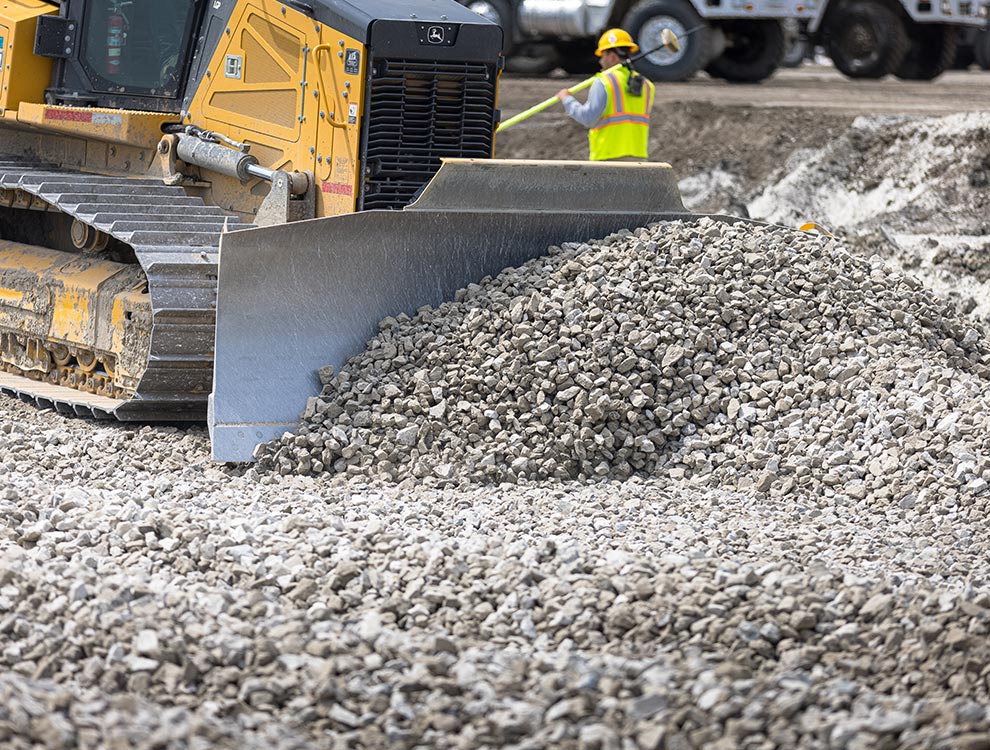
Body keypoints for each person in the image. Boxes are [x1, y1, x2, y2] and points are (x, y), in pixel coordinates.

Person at [556, 29, 656, 162]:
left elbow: (588, 118)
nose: (601, 61)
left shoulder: (604, 82)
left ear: (612, 56)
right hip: (639, 159)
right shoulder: (647, 86)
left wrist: (567, 99)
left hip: (608, 160)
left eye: (603, 55)